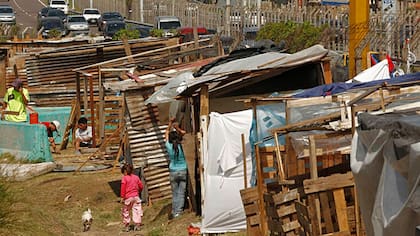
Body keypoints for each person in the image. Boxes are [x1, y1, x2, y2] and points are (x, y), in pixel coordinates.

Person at [165, 117, 187, 219]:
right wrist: (177, 128)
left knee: (175, 193)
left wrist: (170, 123)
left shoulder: (169, 146)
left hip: (173, 171)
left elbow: (166, 132)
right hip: (183, 170)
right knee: (181, 193)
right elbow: (184, 133)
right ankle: (179, 212)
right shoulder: (182, 146)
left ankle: (174, 212)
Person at [120, 163, 143, 232]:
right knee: (137, 211)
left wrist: (122, 197)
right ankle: (137, 225)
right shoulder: (136, 177)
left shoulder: (124, 178)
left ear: (125, 171)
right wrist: (138, 191)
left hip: (128, 198)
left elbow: (123, 189)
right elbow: (141, 186)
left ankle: (127, 225)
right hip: (136, 197)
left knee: (126, 211)